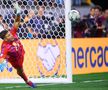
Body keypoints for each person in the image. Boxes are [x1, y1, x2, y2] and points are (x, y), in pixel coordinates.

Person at [0, 2, 36, 88]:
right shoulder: (5, 46)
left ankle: (7, 61)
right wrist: (2, 62)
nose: (11, 35)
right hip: (16, 61)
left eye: (9, 33)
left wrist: (18, 12)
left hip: (21, 52)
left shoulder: (12, 32)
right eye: (8, 36)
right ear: (5, 39)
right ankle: (27, 81)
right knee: (20, 71)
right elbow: (1, 57)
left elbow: (17, 22)